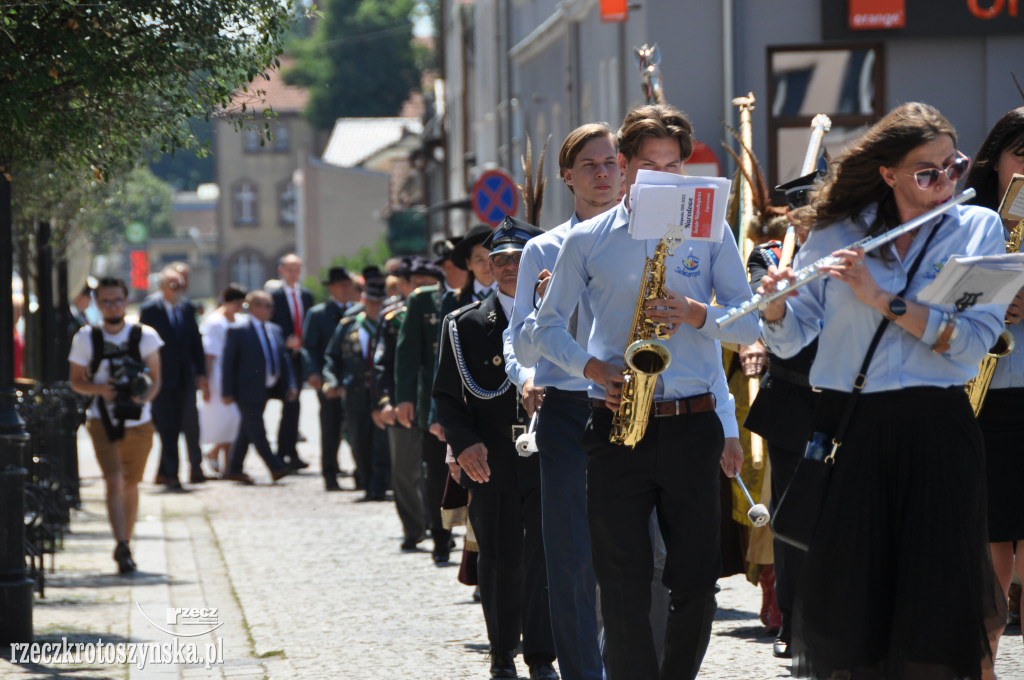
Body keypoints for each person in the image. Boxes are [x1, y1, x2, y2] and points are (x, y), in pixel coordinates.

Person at [758, 101, 1007, 679]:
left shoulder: (979, 227)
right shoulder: (838, 229)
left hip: (935, 428)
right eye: (927, 172)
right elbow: (793, 339)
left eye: (955, 166)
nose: (946, 181)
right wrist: (773, 305)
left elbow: (969, 345)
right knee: (854, 608)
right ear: (888, 174)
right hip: (853, 428)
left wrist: (883, 299)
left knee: (933, 606)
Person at [531, 103, 757, 680]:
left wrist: (697, 313)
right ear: (627, 168)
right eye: (651, 164)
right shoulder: (587, 239)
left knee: (695, 583)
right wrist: (592, 368)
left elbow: (750, 321)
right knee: (624, 580)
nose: (666, 177)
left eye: (674, 165)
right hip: (616, 422)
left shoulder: (711, 230)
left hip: (691, 421)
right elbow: (544, 327)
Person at [505, 122, 622, 680]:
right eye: (590, 167)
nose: (603, 175)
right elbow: (525, 337)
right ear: (567, 177)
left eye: (611, 164)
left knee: (638, 558)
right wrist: (531, 372)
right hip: (571, 408)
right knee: (573, 560)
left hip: (632, 406)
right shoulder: (542, 248)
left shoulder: (647, 242)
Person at [433, 218, 558, 680]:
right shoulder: (464, 325)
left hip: (551, 453)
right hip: (492, 459)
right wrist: (463, 446)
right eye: (499, 260)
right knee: (500, 558)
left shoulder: (561, 313)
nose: (507, 268)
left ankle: (542, 655)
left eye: (518, 259)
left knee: (545, 557)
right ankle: (503, 652)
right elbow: (447, 397)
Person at [740, 171, 821, 659]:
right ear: (791, 215)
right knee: (792, 520)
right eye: (806, 213)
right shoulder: (770, 258)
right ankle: (792, 618)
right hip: (791, 402)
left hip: (843, 403)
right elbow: (765, 313)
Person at [965, 105, 1024, 664]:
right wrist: (991, 305)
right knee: (987, 589)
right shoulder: (966, 223)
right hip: (982, 411)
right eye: (1021, 156)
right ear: (995, 162)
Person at [69, 277, 162, 573]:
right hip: (102, 419)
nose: (112, 306)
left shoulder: (145, 335)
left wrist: (141, 396)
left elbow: (157, 380)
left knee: (132, 483)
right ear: (97, 303)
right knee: (114, 479)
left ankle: (127, 540)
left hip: (139, 419)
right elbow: (76, 381)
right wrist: (102, 390)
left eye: (117, 300)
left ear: (127, 300)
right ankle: (121, 543)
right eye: (105, 301)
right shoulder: (86, 338)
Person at [395, 240, 464, 563]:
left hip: (474, 402)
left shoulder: (480, 295)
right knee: (437, 474)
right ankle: (440, 535)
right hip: (433, 402)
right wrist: (405, 398)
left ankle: (473, 542)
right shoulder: (424, 300)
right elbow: (407, 353)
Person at [374, 258, 443, 547]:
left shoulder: (448, 309)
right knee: (404, 471)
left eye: (427, 284)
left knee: (437, 471)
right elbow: (384, 365)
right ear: (405, 286)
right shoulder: (393, 319)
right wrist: (386, 402)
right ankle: (414, 528)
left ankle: (439, 525)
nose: (420, 290)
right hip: (404, 405)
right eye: (415, 284)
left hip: (434, 405)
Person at [139, 266, 208, 488]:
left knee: (185, 424)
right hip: (161, 378)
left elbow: (195, 342)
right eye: (172, 284)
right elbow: (142, 344)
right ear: (162, 287)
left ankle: (172, 471)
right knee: (167, 427)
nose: (177, 289)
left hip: (184, 378)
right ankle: (171, 474)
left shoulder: (187, 308)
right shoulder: (151, 309)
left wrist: (201, 372)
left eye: (179, 284)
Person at [324, 273, 391, 501]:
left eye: (379, 303)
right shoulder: (349, 325)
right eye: (371, 302)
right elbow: (332, 358)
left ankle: (379, 487)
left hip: (382, 394)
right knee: (359, 443)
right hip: (355, 394)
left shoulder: (391, 325)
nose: (375, 307)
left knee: (382, 443)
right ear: (364, 302)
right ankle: (366, 481)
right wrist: (332, 381)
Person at [220, 290, 295, 484]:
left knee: (247, 429)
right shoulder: (238, 330)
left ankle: (234, 468)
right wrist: (226, 391)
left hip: (269, 388)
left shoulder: (275, 330)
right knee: (257, 430)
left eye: (271, 305)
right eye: (266, 305)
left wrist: (291, 384)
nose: (271, 310)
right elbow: (228, 363)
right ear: (253, 307)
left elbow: (284, 360)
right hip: (246, 390)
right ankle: (275, 466)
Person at [302, 265, 354, 491]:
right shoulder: (318, 314)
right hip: (329, 379)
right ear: (331, 288)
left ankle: (363, 473)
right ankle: (330, 473)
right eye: (341, 286)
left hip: (354, 380)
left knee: (357, 428)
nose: (346, 290)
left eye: (348, 285)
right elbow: (309, 348)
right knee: (331, 428)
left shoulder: (357, 311)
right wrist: (314, 374)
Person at [268, 253, 314, 470]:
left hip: (300, 356)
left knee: (294, 405)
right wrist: (285, 341)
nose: (294, 273)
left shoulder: (306, 296)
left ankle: (290, 451)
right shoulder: (274, 297)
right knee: (287, 401)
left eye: (297, 268)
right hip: (281, 356)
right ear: (281, 270)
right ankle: (281, 452)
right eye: (290, 268)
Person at [198, 283, 246, 474]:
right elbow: (209, 354)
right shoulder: (215, 322)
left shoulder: (240, 319)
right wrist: (206, 382)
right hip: (218, 374)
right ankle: (226, 463)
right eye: (236, 303)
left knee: (235, 421)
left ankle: (219, 455)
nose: (239, 308)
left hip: (238, 375)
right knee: (225, 419)